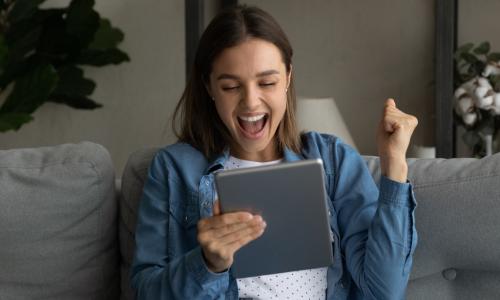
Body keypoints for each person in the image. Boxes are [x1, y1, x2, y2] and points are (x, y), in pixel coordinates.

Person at [131, 5, 418, 300]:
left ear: (288, 78)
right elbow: (145, 292)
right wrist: (208, 265)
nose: (251, 103)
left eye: (267, 82)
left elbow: (384, 291)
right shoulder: (174, 169)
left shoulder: (333, 161)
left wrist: (394, 167)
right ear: (209, 87)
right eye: (230, 87)